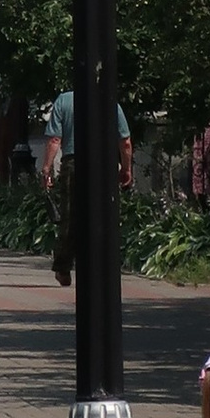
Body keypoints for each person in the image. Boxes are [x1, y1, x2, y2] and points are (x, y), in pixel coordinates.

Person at [44, 82, 132, 289]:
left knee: (69, 215)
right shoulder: (110, 102)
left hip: (73, 163)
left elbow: (55, 139)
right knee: (104, 214)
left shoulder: (64, 101)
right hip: (104, 164)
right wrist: (126, 169)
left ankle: (63, 267)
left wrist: (47, 169)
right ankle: (103, 265)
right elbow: (125, 141)